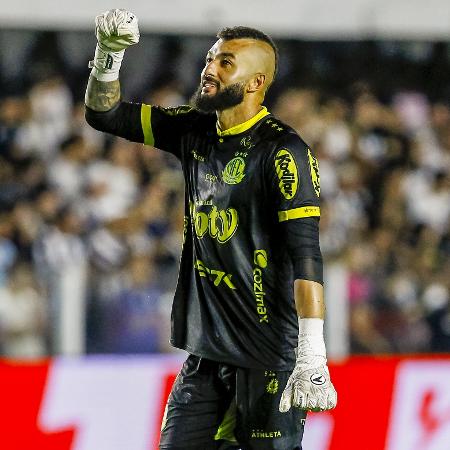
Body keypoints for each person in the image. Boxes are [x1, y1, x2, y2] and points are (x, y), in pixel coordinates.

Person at [85, 9, 337, 450]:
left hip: (269, 359)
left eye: (225, 63)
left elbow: (306, 255)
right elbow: (104, 115)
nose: (208, 69)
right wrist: (108, 56)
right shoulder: (194, 130)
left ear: (256, 83)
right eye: (208, 58)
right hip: (206, 356)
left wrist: (312, 351)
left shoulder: (283, 151)